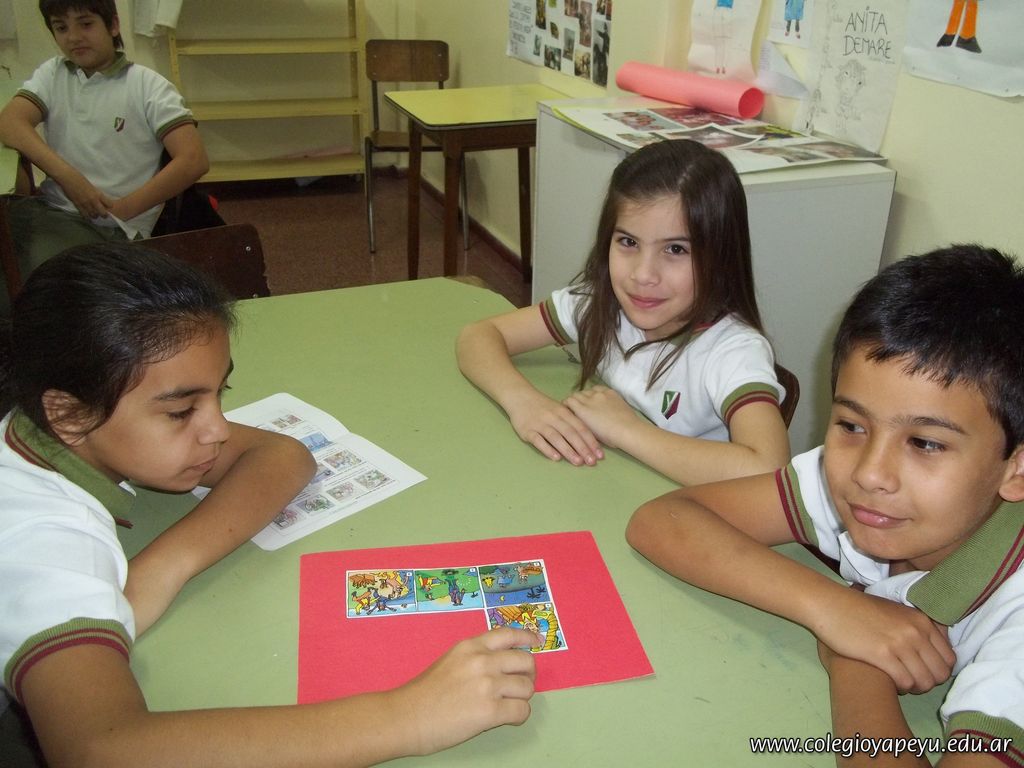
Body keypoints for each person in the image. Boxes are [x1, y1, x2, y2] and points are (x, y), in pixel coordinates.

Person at [0, 244, 541, 768]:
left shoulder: (52, 431)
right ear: (68, 415)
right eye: (181, 412)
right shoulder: (43, 536)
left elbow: (281, 455)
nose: (216, 429)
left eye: (219, 394)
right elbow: (98, 751)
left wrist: (164, 567)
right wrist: (409, 717)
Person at [626, 245, 1024, 766]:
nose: (869, 473)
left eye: (926, 443)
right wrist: (836, 609)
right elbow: (662, 521)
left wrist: (854, 663)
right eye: (852, 425)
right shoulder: (859, 482)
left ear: (1015, 468)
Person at [457, 140, 790, 486]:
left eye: (676, 249)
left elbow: (767, 470)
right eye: (628, 242)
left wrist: (625, 430)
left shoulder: (732, 351)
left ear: (720, 257)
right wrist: (525, 404)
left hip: (683, 508)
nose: (643, 275)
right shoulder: (599, 303)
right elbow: (477, 336)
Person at [0, 0, 209, 307]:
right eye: (61, 27)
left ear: (113, 25)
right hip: (50, 210)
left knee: (32, 286)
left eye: (85, 24)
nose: (73, 37)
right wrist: (69, 178)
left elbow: (193, 160)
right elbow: (10, 122)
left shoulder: (147, 85)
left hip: (109, 228)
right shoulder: (53, 73)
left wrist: (120, 211)